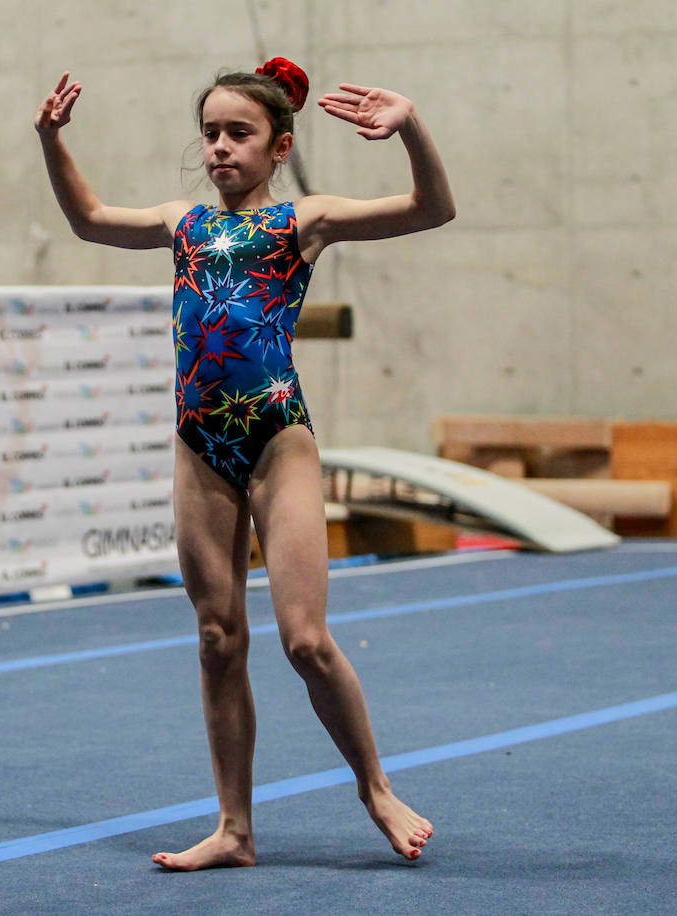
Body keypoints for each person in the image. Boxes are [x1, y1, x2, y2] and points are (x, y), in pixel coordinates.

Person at [35, 57, 455, 870]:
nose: (221, 146)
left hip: (276, 439)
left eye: (239, 133)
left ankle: (374, 786)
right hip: (200, 444)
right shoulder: (179, 223)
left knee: (303, 639)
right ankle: (234, 829)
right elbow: (86, 217)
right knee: (219, 637)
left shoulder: (304, 221)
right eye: (211, 133)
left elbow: (432, 208)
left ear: (279, 146)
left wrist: (411, 126)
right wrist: (51, 140)